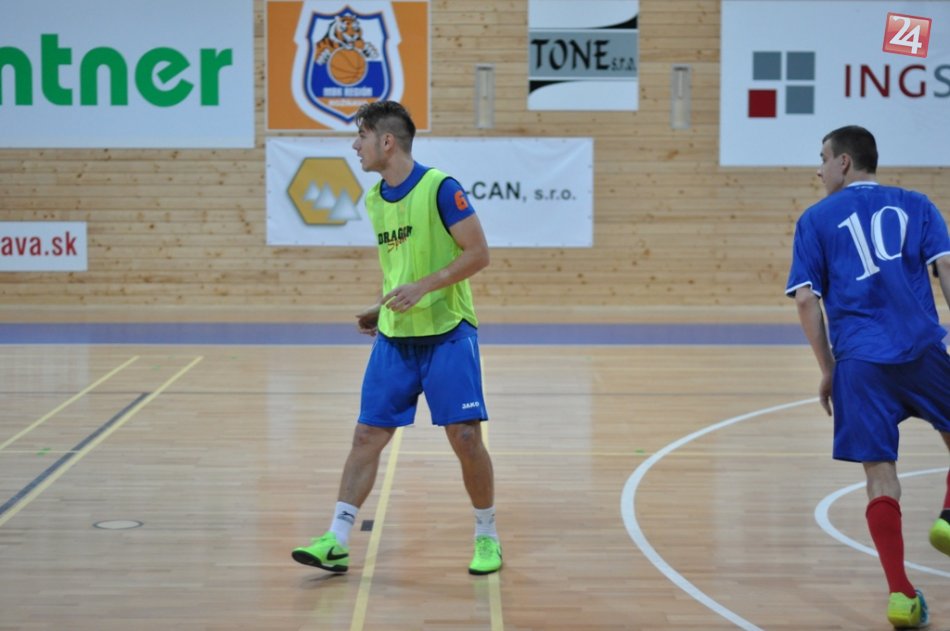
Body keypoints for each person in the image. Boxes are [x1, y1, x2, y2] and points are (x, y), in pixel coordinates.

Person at [292, 100, 502, 576]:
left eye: (361, 136)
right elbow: (400, 268)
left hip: (448, 333)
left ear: (386, 141)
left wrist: (423, 288)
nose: (355, 146)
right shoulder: (374, 199)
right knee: (367, 434)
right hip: (396, 336)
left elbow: (479, 253)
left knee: (465, 437)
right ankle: (336, 539)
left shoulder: (440, 188)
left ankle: (487, 535)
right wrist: (382, 303)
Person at [786, 125, 950, 629]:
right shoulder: (917, 204)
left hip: (859, 362)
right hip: (922, 348)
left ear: (844, 162)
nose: (818, 170)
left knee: (880, 478)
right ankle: (948, 517)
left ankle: (901, 597)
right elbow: (946, 270)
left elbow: (807, 301)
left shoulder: (815, 220)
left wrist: (829, 371)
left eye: (822, 159)